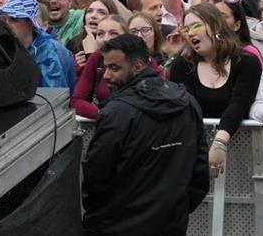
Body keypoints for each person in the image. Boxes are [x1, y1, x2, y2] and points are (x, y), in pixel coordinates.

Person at [82, 34, 209, 236]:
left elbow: (96, 175)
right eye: (105, 68)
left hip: (119, 225)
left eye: (114, 68)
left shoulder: (117, 113)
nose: (106, 75)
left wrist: (99, 218)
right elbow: (200, 170)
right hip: (166, 223)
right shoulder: (187, 102)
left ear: (138, 66)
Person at [168, 4, 261, 178]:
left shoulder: (247, 62)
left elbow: (239, 104)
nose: (190, 33)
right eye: (186, 29)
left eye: (196, 25)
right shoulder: (182, 65)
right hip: (193, 156)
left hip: (243, 156)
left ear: (216, 25)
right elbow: (185, 108)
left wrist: (219, 142)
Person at [0, 0, 76, 91]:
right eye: (4, 19)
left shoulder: (52, 53)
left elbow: (53, 99)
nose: (7, 24)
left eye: (14, 19)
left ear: (30, 22)